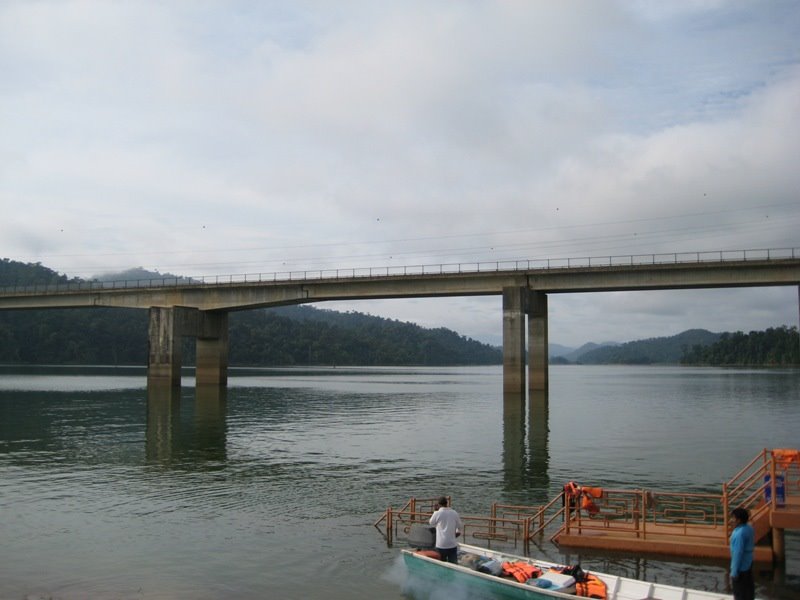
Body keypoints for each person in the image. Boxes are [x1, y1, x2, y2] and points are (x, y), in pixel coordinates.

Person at [729, 507, 755, 600]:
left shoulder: (739, 534)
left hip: (741, 567)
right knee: (748, 590)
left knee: (739, 593)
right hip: (748, 562)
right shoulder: (749, 528)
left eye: (733, 518)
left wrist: (734, 572)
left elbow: (737, 553)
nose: (731, 520)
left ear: (739, 520)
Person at [429, 496, 463, 564]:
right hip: (452, 544)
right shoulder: (454, 513)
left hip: (441, 545)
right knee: (453, 565)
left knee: (441, 566)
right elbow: (460, 526)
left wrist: (435, 511)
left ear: (438, 504)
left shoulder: (437, 513)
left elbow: (431, 523)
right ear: (447, 503)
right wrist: (456, 532)